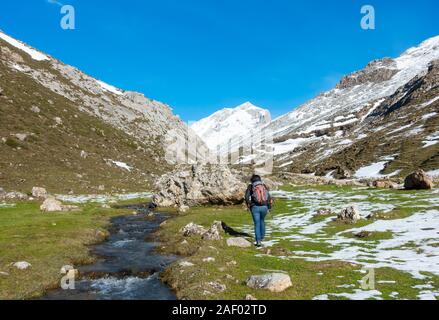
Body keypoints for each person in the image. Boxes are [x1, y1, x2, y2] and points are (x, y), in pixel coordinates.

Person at [245, 175, 273, 247]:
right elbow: (269, 197)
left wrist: (249, 204)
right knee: (262, 220)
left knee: (257, 223)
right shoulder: (263, 186)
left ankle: (258, 241)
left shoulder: (251, 186)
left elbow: (246, 197)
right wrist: (269, 207)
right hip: (264, 207)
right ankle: (262, 237)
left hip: (255, 207)